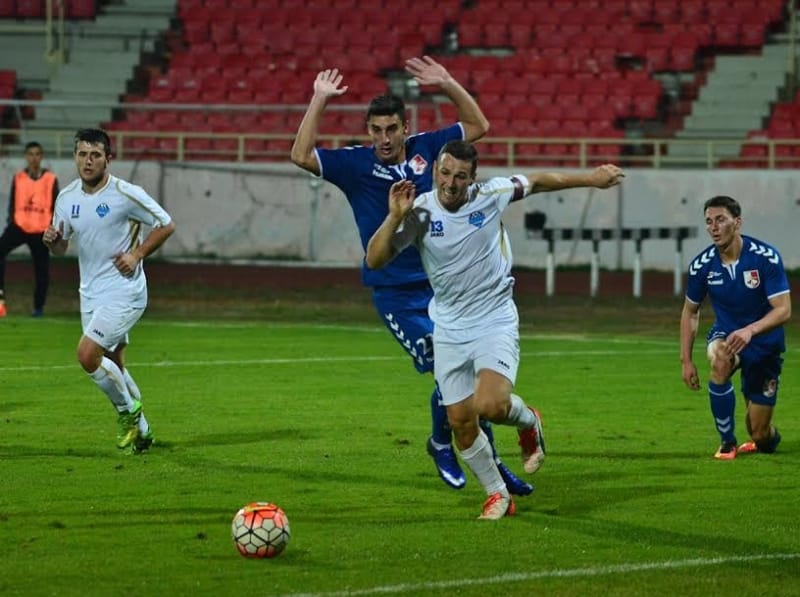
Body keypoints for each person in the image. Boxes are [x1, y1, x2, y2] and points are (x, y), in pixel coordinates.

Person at [290, 56, 533, 496]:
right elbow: (300, 155)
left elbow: (478, 127)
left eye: (391, 129)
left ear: (406, 127)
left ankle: (489, 463)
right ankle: (443, 443)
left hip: (443, 289)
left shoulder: (430, 150)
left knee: (467, 383)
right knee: (445, 372)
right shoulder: (355, 165)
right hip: (396, 294)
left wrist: (447, 83)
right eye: (376, 130)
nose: (384, 139)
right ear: (369, 132)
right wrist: (319, 100)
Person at [365, 140, 624, 519]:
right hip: (449, 327)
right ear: (435, 168)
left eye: (461, 176)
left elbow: (538, 181)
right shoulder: (419, 211)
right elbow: (374, 260)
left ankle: (528, 421)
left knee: (490, 405)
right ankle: (498, 494)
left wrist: (591, 179)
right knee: (460, 424)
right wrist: (393, 217)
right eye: (446, 172)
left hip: (494, 319)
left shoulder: (492, 194)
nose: (451, 183)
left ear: (474, 179)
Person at [42, 128, 176, 454]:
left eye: (95, 155)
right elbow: (61, 248)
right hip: (90, 294)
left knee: (87, 354)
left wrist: (136, 255)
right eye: (82, 154)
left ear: (108, 159)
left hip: (125, 292)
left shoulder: (125, 194)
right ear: (75, 156)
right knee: (114, 363)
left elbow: (166, 224)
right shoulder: (67, 198)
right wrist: (53, 242)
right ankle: (143, 432)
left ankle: (127, 414)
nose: (88, 161)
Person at [680, 195, 790, 460]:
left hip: (764, 344)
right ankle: (727, 442)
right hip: (727, 333)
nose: (714, 227)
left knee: (760, 434)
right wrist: (686, 359)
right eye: (708, 222)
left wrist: (751, 330)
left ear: (737, 222)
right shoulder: (702, 266)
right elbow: (690, 312)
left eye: (720, 220)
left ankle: (764, 437)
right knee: (720, 359)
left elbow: (783, 310)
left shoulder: (765, 257)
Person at [0, 141, 60, 317]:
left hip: (41, 230)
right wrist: (11, 220)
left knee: (42, 270)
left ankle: (38, 308)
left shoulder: (50, 179)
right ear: (26, 157)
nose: (34, 158)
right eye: (30, 154)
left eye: (37, 154)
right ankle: (0, 295)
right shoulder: (19, 177)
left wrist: (53, 229)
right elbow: (13, 201)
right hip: (19, 226)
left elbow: (57, 204)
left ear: (41, 157)